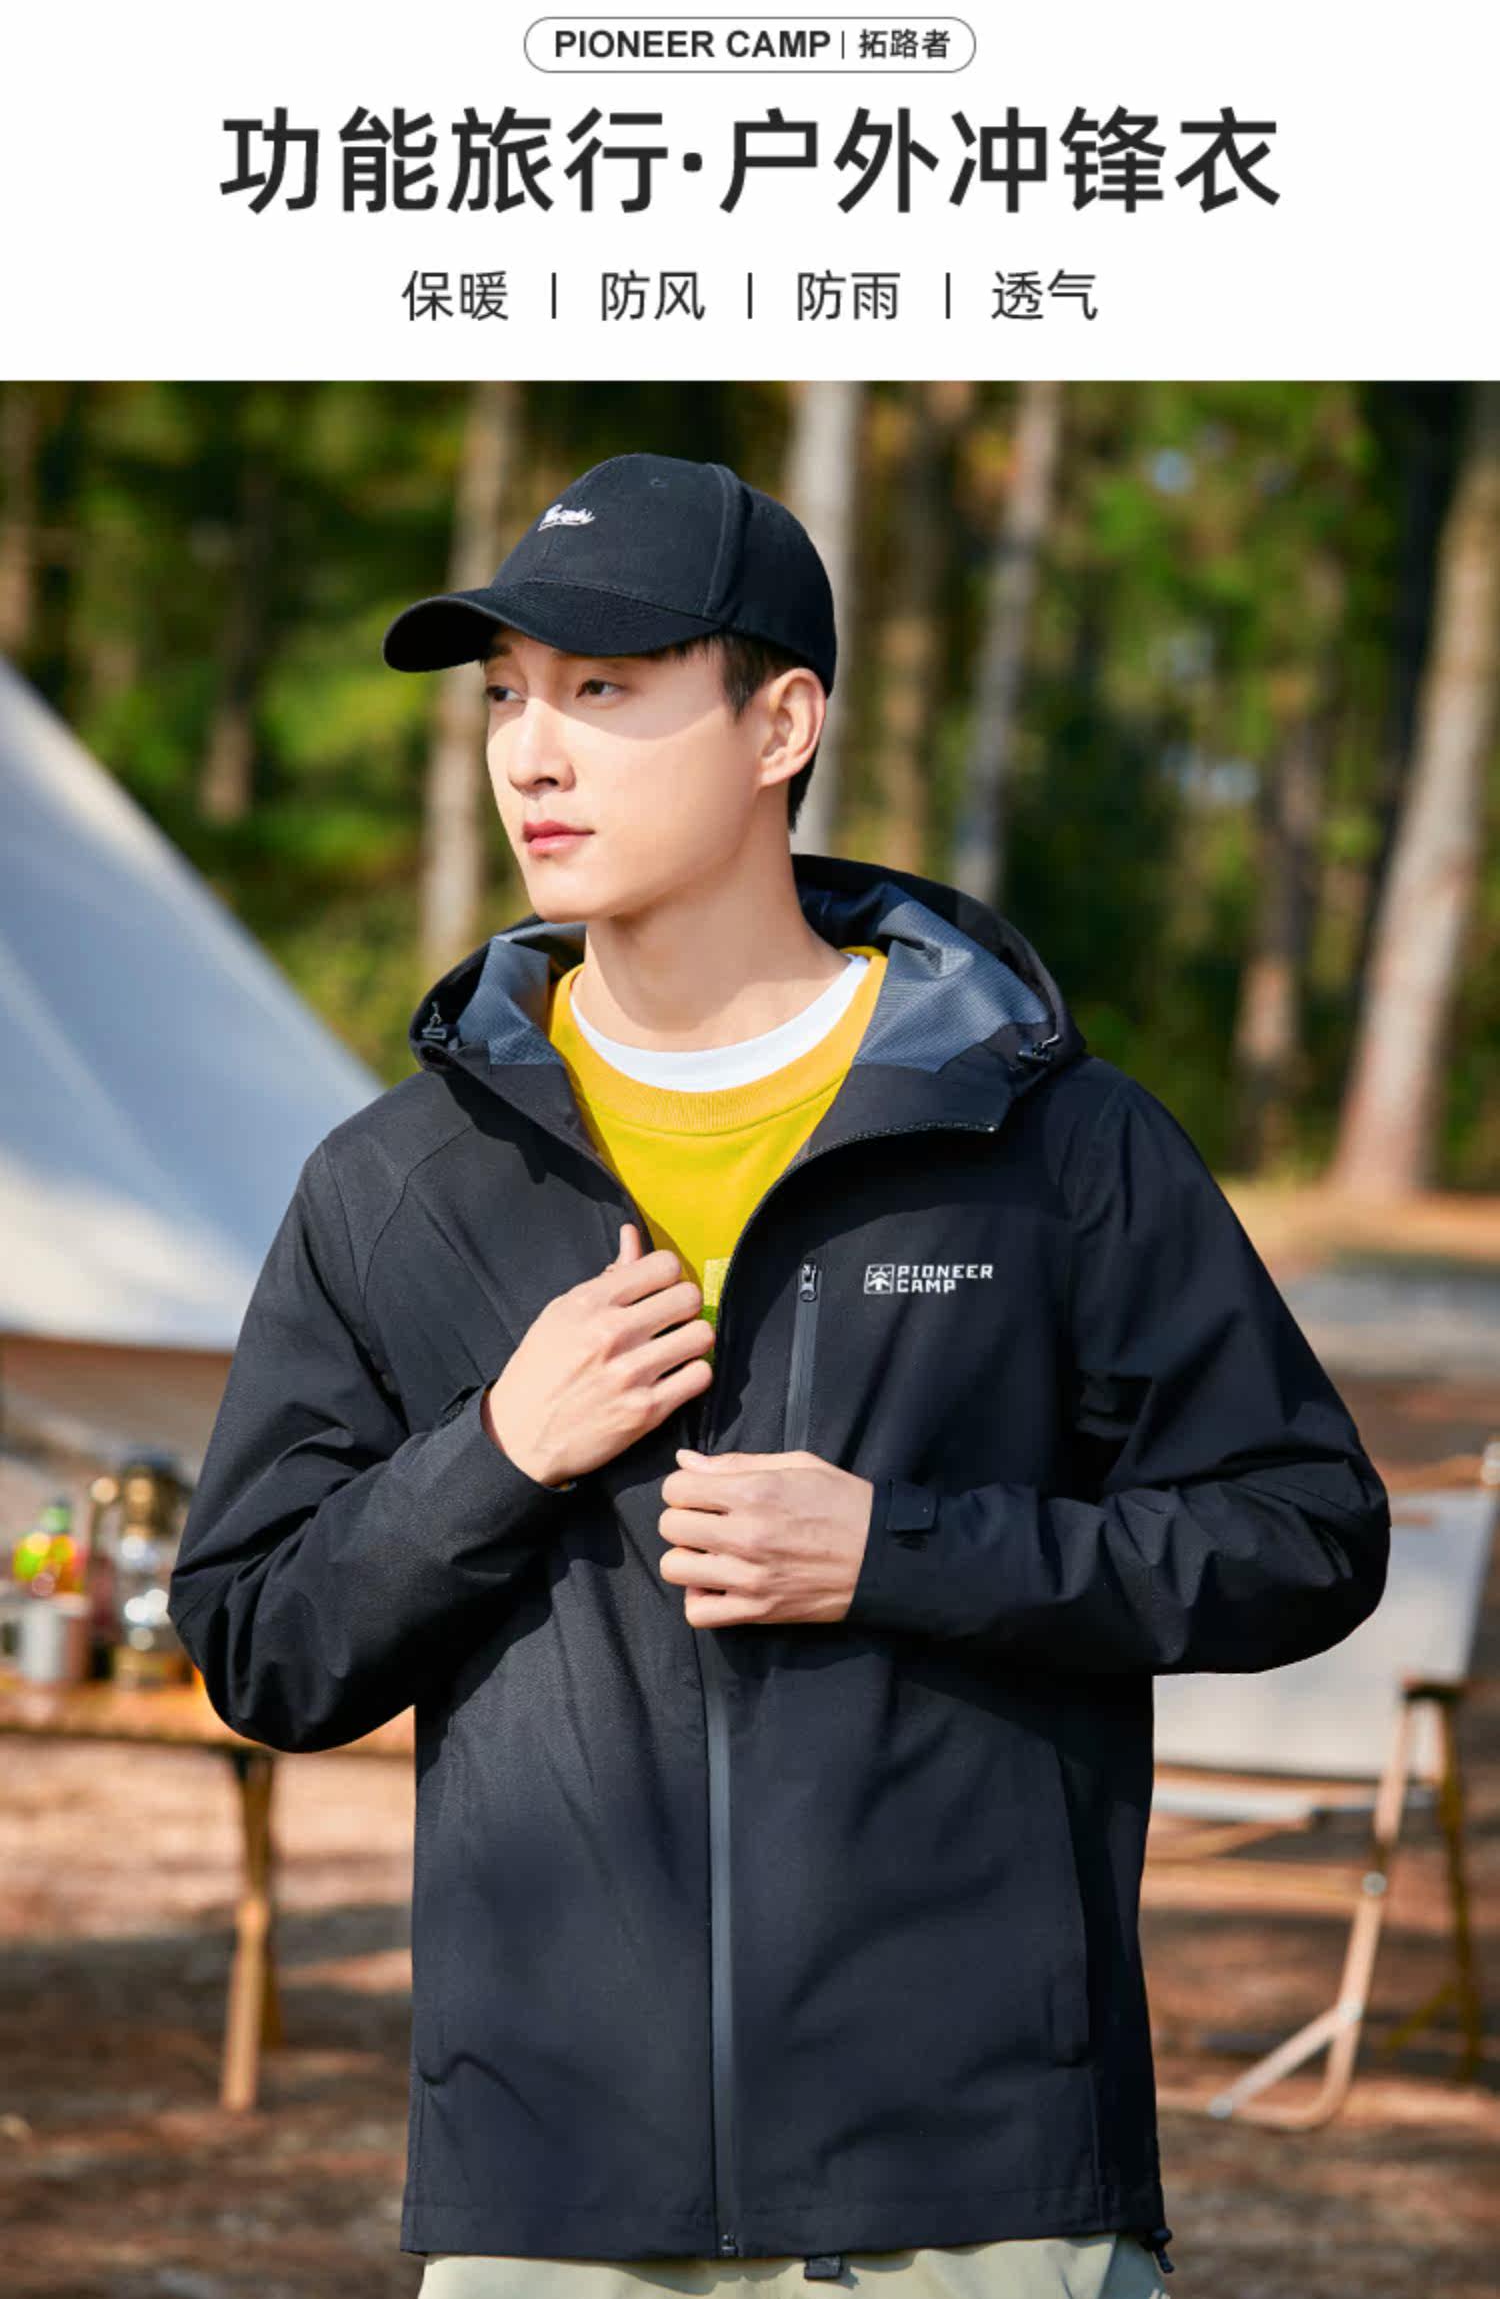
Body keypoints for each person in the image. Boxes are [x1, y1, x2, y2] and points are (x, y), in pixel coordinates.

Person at [167, 451, 1392, 2298]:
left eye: (602, 686)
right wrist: (495, 1451)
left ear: (781, 723)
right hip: (550, 2213)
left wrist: (901, 1551)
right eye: (503, 696)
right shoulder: (399, 1182)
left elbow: (1304, 1530)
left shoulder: (1047, 1141)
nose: (530, 754)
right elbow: (259, 1640)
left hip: (979, 2196)